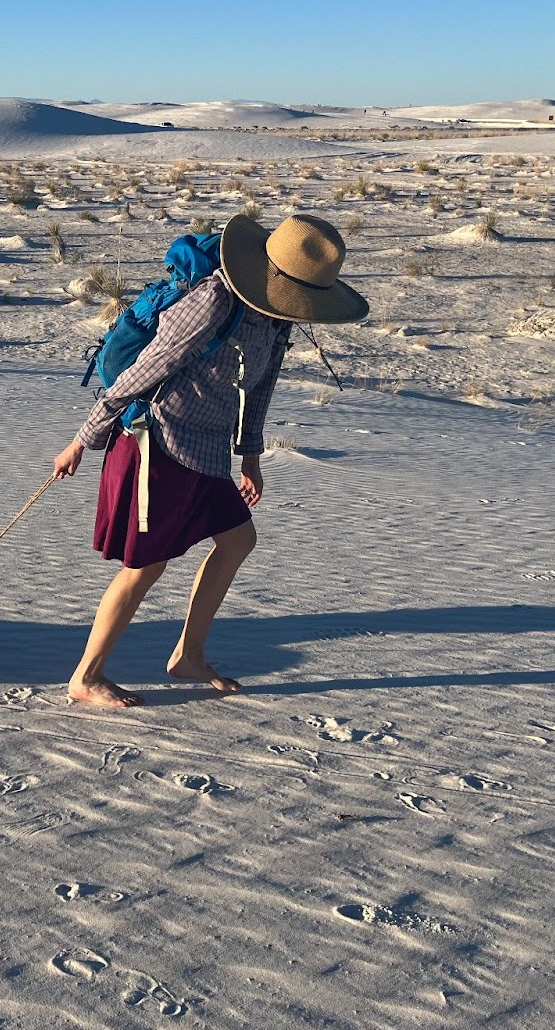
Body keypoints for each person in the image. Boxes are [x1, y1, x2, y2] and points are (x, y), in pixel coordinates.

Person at [53, 213, 369, 707]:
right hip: (157, 442)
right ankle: (86, 677)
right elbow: (146, 369)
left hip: (208, 450)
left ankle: (189, 656)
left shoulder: (276, 317)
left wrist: (250, 456)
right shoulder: (215, 300)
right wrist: (83, 437)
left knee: (239, 539)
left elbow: (258, 389)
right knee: (146, 566)